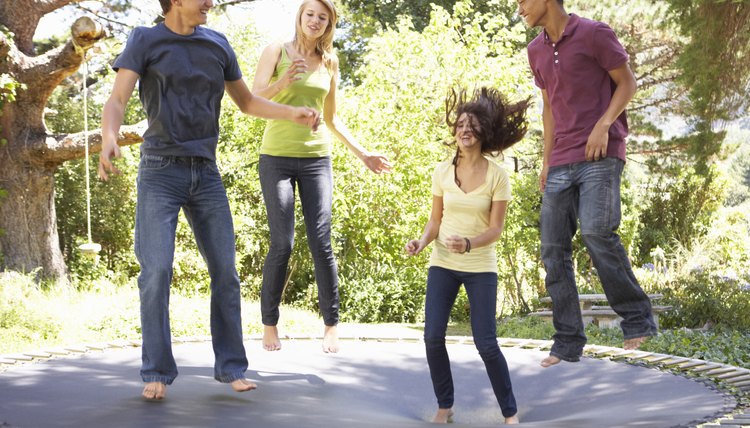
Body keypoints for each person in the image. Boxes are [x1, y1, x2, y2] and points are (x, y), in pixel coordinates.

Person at [97, 0, 320, 400]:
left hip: (206, 171)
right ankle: (157, 371)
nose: (211, 3)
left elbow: (248, 102)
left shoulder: (217, 44)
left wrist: (292, 113)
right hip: (160, 171)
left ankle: (232, 366)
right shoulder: (145, 39)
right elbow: (117, 100)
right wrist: (109, 136)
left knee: (225, 271)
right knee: (157, 271)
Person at [517, 0, 657, 368]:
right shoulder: (535, 51)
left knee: (597, 232)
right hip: (561, 158)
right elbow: (548, 108)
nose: (518, 9)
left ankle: (638, 319)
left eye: (522, 1)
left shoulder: (595, 33)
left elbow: (628, 83)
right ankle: (567, 341)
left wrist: (604, 124)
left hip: (600, 152)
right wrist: (546, 160)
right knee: (552, 249)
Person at [251, 0, 392, 354]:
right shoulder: (275, 51)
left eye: (322, 17)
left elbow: (332, 119)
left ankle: (331, 324)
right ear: (299, 17)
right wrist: (283, 80)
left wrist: (363, 154)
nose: (315, 21)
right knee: (282, 243)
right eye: (310, 14)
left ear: (329, 24)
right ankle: (269, 323)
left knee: (321, 241)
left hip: (316, 160)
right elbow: (252, 100)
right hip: (276, 158)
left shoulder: (330, 61)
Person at [405, 87, 528, 425]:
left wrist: (470, 244)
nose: (465, 130)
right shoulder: (442, 171)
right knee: (432, 337)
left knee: (486, 342)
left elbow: (495, 230)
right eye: (460, 125)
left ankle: (510, 412)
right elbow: (435, 220)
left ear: (482, 131)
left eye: (472, 125)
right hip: (443, 263)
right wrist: (422, 241)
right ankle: (445, 406)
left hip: (480, 266)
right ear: (454, 131)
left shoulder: (497, 176)